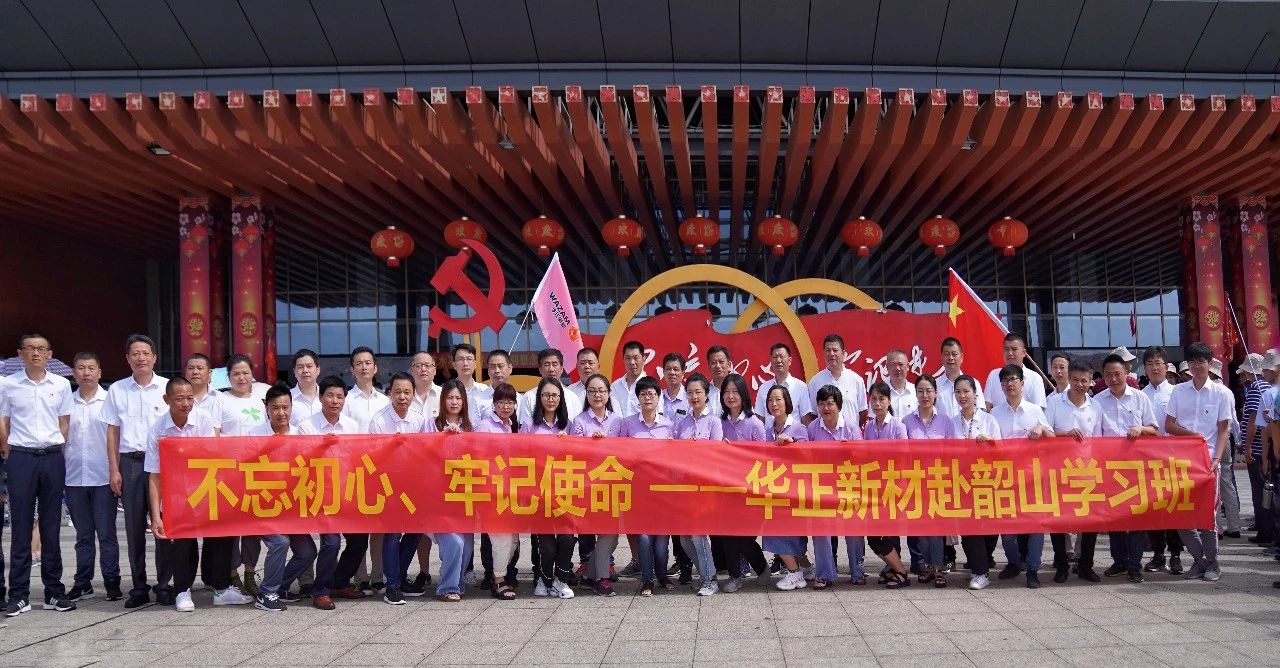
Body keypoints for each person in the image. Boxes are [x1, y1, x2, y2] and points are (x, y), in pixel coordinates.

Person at [146, 376, 251, 612]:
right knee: (182, 543)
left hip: (206, 489)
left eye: (189, 398)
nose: (186, 403)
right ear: (166, 399)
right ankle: (182, 590)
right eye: (179, 399)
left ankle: (221, 589)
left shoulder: (203, 419)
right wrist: (156, 515)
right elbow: (154, 475)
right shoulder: (158, 429)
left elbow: (212, 457)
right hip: (177, 496)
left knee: (222, 535)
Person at [1, 333, 75, 616]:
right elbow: (3, 421)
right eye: (30, 348)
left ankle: (54, 591)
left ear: (49, 354)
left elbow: (64, 422)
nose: (35, 353)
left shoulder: (60, 384)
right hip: (21, 457)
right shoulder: (8, 384)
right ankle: (18, 594)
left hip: (52, 456)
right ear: (20, 353)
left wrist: (56, 446)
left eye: (41, 349)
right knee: (20, 527)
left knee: (51, 525)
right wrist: (9, 451)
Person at [100, 334, 170, 608]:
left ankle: (164, 585)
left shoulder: (166, 388)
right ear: (128, 358)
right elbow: (112, 431)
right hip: (130, 463)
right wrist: (114, 469)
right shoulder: (117, 390)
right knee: (133, 528)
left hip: (161, 465)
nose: (141, 358)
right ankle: (139, 587)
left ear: (154, 357)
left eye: (146, 353)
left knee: (163, 524)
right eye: (135, 354)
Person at [1166, 343, 1233, 582]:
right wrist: (1192, 435)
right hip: (1182, 461)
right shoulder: (1178, 391)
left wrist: (1217, 459)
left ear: (1209, 364)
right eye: (1192, 362)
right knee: (1181, 515)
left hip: (1208, 462)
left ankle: (1213, 562)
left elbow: (1223, 430)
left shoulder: (1221, 393)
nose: (1196, 366)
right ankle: (1198, 560)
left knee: (1208, 516)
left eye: (1201, 362)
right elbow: (1169, 425)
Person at [249, 382, 317, 612]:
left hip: (291, 507)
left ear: (291, 408)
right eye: (275, 407)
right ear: (266, 408)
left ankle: (280, 586)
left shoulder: (300, 435)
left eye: (285, 407)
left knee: (307, 552)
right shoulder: (254, 435)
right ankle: (266, 593)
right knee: (280, 542)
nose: (281, 413)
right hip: (264, 505)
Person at [297, 374, 361, 610]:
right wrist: (321, 447)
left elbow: (358, 458)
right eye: (330, 396)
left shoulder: (352, 426)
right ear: (321, 398)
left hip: (347, 491)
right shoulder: (307, 427)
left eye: (340, 396)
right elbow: (300, 461)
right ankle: (321, 590)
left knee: (359, 541)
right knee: (332, 543)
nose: (335, 401)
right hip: (321, 494)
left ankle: (339, 581)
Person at [1094, 354, 1159, 584]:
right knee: (1114, 517)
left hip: (1136, 467)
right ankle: (1120, 561)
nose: (1113, 379)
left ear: (1126, 373)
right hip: (1110, 468)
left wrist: (1140, 429)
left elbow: (1154, 429)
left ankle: (1135, 565)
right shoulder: (1097, 401)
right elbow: (1094, 436)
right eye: (1108, 375)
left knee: (1137, 517)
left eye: (1117, 374)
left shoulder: (1140, 398)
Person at [64, 352, 121, 602]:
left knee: (107, 533)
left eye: (91, 368)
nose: (86, 373)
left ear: (99, 372)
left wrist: (116, 471)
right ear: (74, 373)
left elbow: (117, 440)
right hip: (74, 477)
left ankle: (111, 580)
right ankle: (83, 582)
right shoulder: (66, 402)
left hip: (103, 476)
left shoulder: (110, 401)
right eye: (81, 368)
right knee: (83, 535)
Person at [990, 364, 1053, 588]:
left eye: (1013, 379)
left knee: (1035, 526)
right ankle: (1014, 562)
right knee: (1007, 528)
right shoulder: (995, 413)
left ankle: (1033, 569)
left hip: (1032, 476)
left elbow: (1052, 437)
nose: (1009, 384)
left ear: (1022, 383)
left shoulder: (1035, 410)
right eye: (1005, 381)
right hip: (1006, 477)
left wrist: (1041, 429)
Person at [367, 372, 426, 605]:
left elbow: (425, 451)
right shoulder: (379, 420)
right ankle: (392, 585)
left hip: (413, 485)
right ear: (390, 393)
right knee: (392, 533)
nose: (402, 397)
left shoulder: (419, 418)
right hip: (388, 485)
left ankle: (399, 577)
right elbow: (372, 456)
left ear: (413, 394)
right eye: (398, 392)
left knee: (416, 530)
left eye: (407, 392)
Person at [1044, 358, 1102, 584]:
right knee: (1059, 520)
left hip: (1087, 470)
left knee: (1090, 521)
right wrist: (1065, 434)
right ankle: (1061, 565)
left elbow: (1100, 440)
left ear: (1090, 382)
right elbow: (1046, 433)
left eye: (1084, 381)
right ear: (1069, 379)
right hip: (1059, 470)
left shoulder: (1095, 406)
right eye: (1075, 380)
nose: (1079, 384)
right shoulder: (1054, 402)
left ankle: (1086, 564)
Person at [619, 376, 675, 596]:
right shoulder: (628, 424)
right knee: (643, 538)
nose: (647, 397)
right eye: (643, 394)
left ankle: (661, 575)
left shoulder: (668, 425)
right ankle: (647, 580)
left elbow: (676, 457)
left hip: (662, 492)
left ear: (658, 397)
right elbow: (619, 453)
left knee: (661, 544)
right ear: (638, 398)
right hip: (638, 491)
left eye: (651, 393)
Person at [339, 346, 388, 594]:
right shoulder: (345, 401)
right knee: (359, 528)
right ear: (352, 369)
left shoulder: (385, 400)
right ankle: (360, 577)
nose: (364, 367)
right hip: (354, 470)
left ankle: (378, 575)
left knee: (379, 527)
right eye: (359, 363)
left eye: (368, 363)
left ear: (375, 368)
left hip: (380, 470)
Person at [522, 377, 577, 599]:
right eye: (546, 395)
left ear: (561, 398)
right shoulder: (529, 426)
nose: (550, 399)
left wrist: (568, 443)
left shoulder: (569, 425)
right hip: (539, 492)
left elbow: (582, 456)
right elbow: (521, 455)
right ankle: (543, 580)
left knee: (567, 538)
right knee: (545, 544)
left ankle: (560, 581)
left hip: (565, 491)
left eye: (554, 395)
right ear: (539, 398)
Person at [717, 373, 771, 591]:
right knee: (729, 535)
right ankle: (735, 576)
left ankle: (761, 567)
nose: (731, 396)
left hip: (750, 489)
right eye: (727, 392)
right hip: (726, 489)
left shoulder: (754, 423)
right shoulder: (719, 423)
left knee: (745, 537)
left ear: (743, 395)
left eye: (735, 392)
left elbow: (763, 459)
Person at [807, 384, 865, 589]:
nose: (826, 408)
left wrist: (851, 452)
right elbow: (804, 456)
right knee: (821, 531)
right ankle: (825, 574)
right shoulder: (813, 428)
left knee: (854, 529)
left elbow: (862, 458)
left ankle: (857, 571)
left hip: (847, 485)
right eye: (821, 404)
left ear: (839, 406)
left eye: (830, 403)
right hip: (822, 487)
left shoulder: (851, 427)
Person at [568, 374, 621, 596]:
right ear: (586, 394)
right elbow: (574, 454)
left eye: (601, 391)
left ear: (608, 394)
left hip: (612, 485)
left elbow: (625, 451)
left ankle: (590, 576)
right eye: (592, 391)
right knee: (602, 532)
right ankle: (602, 579)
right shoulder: (579, 421)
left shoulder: (617, 421)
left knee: (612, 533)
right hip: (588, 486)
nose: (597, 395)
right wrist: (592, 444)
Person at [860, 382, 915, 589]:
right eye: (873, 399)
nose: (877, 403)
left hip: (893, 488)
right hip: (875, 489)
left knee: (880, 535)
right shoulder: (869, 427)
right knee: (876, 534)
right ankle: (894, 568)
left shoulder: (898, 427)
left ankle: (901, 572)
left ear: (889, 401)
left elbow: (903, 459)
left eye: (881, 399)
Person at [760, 384, 814, 590]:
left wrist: (793, 444)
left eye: (778, 399)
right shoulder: (767, 431)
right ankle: (804, 568)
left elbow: (808, 457)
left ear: (787, 402)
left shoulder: (798, 428)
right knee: (776, 531)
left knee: (789, 533)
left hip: (794, 491)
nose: (774, 404)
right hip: (773, 491)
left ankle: (794, 573)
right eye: (770, 400)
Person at [220, 354, 266, 597]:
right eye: (236, 373)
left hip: (256, 472)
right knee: (231, 528)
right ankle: (232, 575)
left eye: (245, 373)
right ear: (228, 377)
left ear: (252, 374)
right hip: (229, 473)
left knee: (252, 528)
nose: (241, 378)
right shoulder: (220, 400)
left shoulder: (261, 399)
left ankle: (250, 573)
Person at [425, 379, 475, 602]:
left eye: (458, 398)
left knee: (467, 545)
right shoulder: (431, 425)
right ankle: (447, 587)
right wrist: (442, 439)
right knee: (454, 543)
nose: (454, 402)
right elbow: (421, 454)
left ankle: (457, 582)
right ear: (442, 400)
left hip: (465, 496)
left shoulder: (471, 428)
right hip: (439, 497)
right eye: (450, 397)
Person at [903, 374, 955, 586]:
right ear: (915, 394)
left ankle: (939, 568)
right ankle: (927, 566)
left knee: (937, 528)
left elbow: (952, 452)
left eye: (928, 391)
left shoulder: (945, 421)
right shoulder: (907, 421)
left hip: (938, 481)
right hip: (916, 482)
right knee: (921, 529)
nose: (925, 395)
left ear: (936, 393)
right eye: (920, 391)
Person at [951, 374, 1001, 589]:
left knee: (988, 528)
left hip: (985, 481)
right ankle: (980, 572)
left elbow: (1001, 451)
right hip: (961, 482)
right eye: (958, 392)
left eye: (966, 391)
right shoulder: (952, 422)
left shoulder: (989, 420)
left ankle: (981, 564)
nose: (962, 396)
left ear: (975, 393)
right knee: (969, 528)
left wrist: (989, 442)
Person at [673, 373, 721, 596]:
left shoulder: (713, 421)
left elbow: (717, 454)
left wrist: (698, 449)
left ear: (706, 394)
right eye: (690, 392)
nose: (694, 396)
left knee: (697, 535)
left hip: (704, 487)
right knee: (685, 538)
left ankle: (710, 579)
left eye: (698, 392)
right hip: (685, 487)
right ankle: (705, 572)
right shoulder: (682, 423)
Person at [475, 382, 524, 600]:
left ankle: (501, 574)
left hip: (512, 490)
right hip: (492, 490)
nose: (506, 406)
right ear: (494, 404)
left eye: (510, 402)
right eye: (501, 402)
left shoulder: (514, 426)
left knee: (513, 538)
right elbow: (479, 457)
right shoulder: (485, 426)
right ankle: (498, 580)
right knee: (500, 537)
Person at [1141, 346, 1183, 574]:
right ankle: (1158, 554)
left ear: (1166, 367)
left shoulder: (1177, 393)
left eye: (1158, 363)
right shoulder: (1140, 395)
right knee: (1153, 509)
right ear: (1145, 369)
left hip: (1172, 458)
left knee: (1173, 508)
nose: (1154, 368)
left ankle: (1176, 555)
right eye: (1149, 364)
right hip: (1148, 461)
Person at [1240, 353, 1272, 546]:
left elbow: (1253, 419)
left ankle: (1265, 531)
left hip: (1258, 448)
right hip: (1264, 446)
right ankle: (1264, 526)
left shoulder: (1256, 388)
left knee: (1260, 490)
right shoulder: (1267, 386)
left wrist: (1248, 445)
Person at [1210, 358, 1243, 538]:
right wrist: (1238, 439)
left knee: (1212, 484)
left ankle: (1216, 527)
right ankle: (1235, 525)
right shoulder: (1227, 391)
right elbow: (1234, 418)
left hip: (1211, 441)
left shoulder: (1210, 390)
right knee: (1227, 483)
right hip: (1226, 439)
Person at [806, 334, 868, 428]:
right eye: (828, 350)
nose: (831, 354)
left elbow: (862, 413)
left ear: (843, 353)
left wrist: (852, 429)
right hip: (824, 435)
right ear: (824, 353)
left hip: (850, 435)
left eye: (835, 350)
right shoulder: (815, 382)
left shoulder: (856, 380)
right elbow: (814, 414)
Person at [519, 349, 583, 425]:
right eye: (547, 365)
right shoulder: (529, 397)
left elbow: (578, 427)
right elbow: (524, 428)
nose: (551, 369)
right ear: (540, 370)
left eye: (555, 364)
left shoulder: (572, 397)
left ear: (561, 369)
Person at [985, 333, 1048, 410]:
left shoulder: (1035, 378)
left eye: (1014, 349)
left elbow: (1039, 409)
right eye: (1006, 349)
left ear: (1024, 353)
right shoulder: (993, 375)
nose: (1010, 353)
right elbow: (987, 406)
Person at [754, 343, 813, 423]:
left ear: (789, 360)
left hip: (794, 431)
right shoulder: (763, 388)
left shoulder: (801, 387)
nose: (778, 360)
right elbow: (759, 420)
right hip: (769, 431)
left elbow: (806, 419)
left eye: (781, 357)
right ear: (771, 361)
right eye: (775, 357)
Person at [935, 337, 985, 419]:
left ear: (961, 357)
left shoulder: (974, 383)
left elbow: (981, 413)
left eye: (954, 354)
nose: (950, 358)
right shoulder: (935, 385)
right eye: (946, 354)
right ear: (941, 357)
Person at [450, 343, 491, 424]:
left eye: (469, 359)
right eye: (460, 359)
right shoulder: (446, 391)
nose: (465, 363)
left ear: (475, 364)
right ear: (454, 365)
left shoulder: (485, 391)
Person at [611, 340, 649, 418]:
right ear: (623, 360)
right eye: (628, 358)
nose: (632, 362)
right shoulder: (615, 386)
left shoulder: (651, 386)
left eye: (636, 358)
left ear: (644, 359)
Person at [289, 348, 322, 426]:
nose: (305, 370)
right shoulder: (287, 398)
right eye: (300, 367)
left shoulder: (327, 396)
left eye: (309, 366)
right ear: (294, 371)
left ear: (318, 370)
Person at [658, 353, 690, 420]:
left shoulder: (690, 397)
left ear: (683, 373)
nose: (672, 373)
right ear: (663, 372)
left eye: (675, 369)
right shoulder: (658, 397)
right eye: (668, 369)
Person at [705, 345, 734, 417]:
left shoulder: (738, 390)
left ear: (729, 364)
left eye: (721, 362)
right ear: (709, 366)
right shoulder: (704, 392)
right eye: (713, 362)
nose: (718, 366)